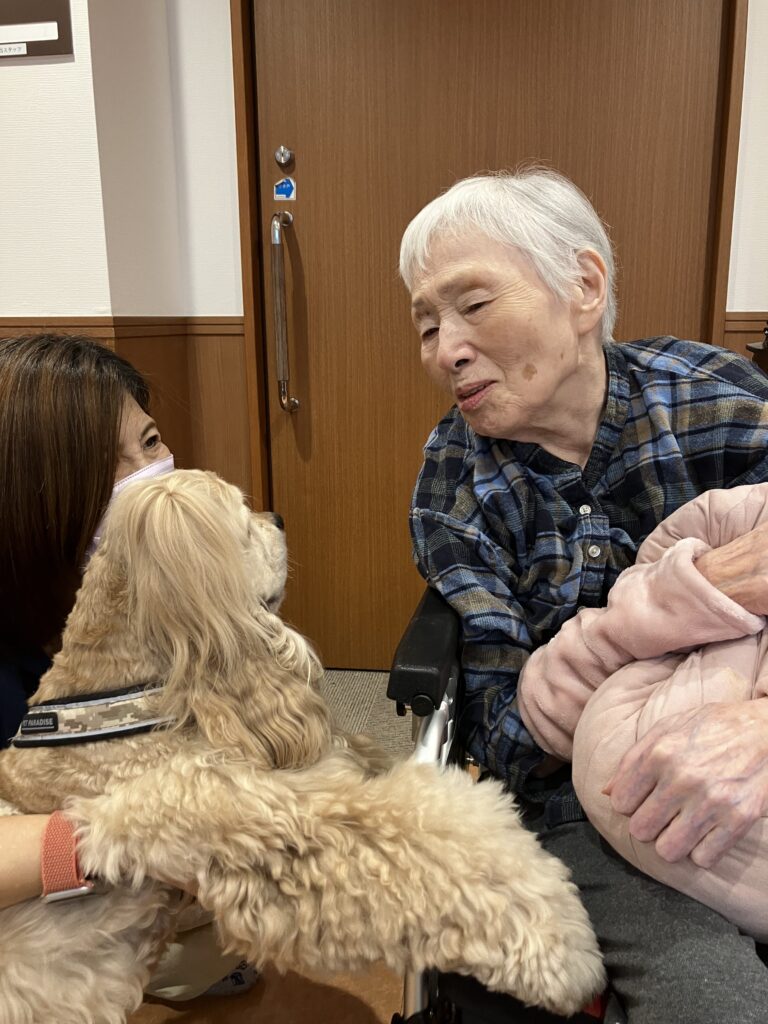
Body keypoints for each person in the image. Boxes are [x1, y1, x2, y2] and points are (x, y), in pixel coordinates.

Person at [400, 168, 768, 1024]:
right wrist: (680, 606)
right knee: (717, 1000)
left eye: (473, 305)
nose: (444, 348)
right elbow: (509, 744)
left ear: (583, 287)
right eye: (425, 325)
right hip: (610, 816)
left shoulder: (710, 398)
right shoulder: (458, 484)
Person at [0, 333, 256, 1000]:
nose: (151, 473)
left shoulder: (154, 594)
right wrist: (124, 838)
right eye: (107, 466)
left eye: (150, 443)